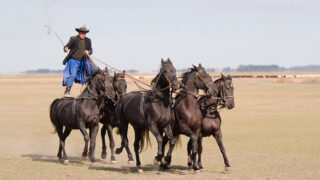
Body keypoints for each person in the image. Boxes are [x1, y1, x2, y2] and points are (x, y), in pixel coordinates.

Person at [62, 25, 96, 97]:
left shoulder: (88, 40)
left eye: (84, 33)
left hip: (83, 61)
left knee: (93, 70)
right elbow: (67, 46)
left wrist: (88, 52)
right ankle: (67, 90)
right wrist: (66, 48)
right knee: (73, 75)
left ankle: (86, 86)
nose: (83, 34)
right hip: (73, 60)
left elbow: (91, 50)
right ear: (79, 33)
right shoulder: (74, 39)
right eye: (82, 33)